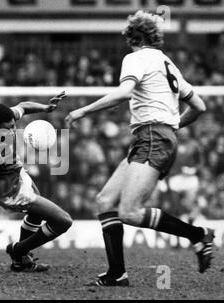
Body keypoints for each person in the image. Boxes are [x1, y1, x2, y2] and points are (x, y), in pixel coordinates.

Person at [65, 11, 214, 286]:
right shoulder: (166, 62)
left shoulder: (135, 58)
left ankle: (197, 234)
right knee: (105, 201)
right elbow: (200, 106)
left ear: (133, 36)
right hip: (154, 137)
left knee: (130, 212)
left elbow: (123, 93)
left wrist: (81, 111)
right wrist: (172, 126)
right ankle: (117, 273)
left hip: (152, 137)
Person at [0, 92, 73, 272]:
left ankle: (20, 262)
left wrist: (45, 108)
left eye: (13, 126)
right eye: (8, 128)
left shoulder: (5, 117)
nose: (13, 131)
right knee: (64, 221)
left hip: (18, 174)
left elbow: (23, 106)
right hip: (11, 193)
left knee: (36, 215)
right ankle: (18, 250)